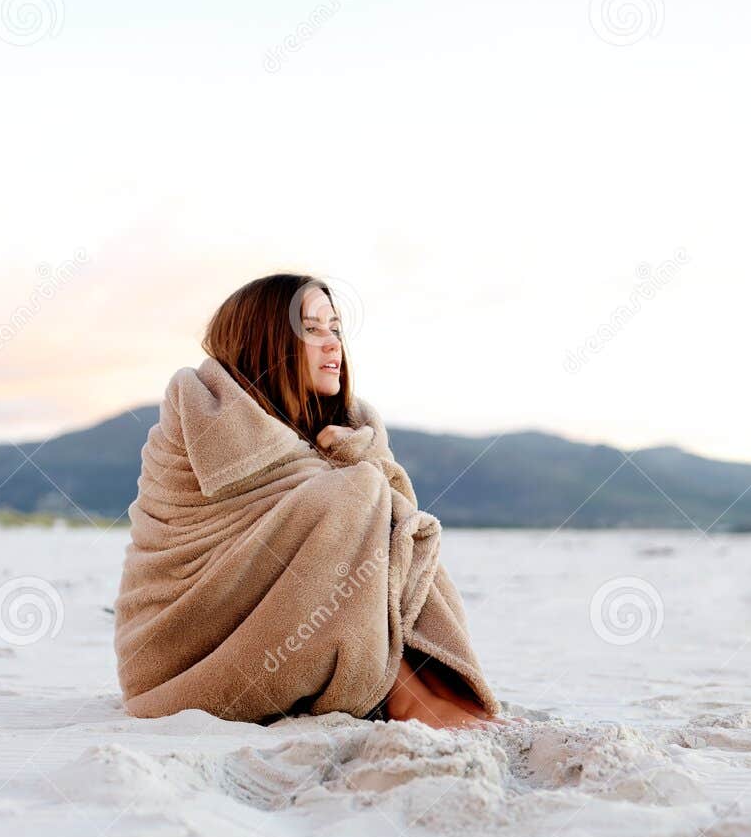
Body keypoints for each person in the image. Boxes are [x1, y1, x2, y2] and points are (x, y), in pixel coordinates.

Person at [114, 274, 501, 730]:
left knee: (384, 512)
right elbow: (256, 527)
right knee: (359, 498)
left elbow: (398, 519)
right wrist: (352, 473)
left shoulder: (348, 426)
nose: (332, 345)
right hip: (179, 651)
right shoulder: (204, 414)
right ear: (264, 342)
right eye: (312, 330)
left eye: (335, 329)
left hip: (268, 636)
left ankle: (439, 688)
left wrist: (351, 454)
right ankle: (408, 698)